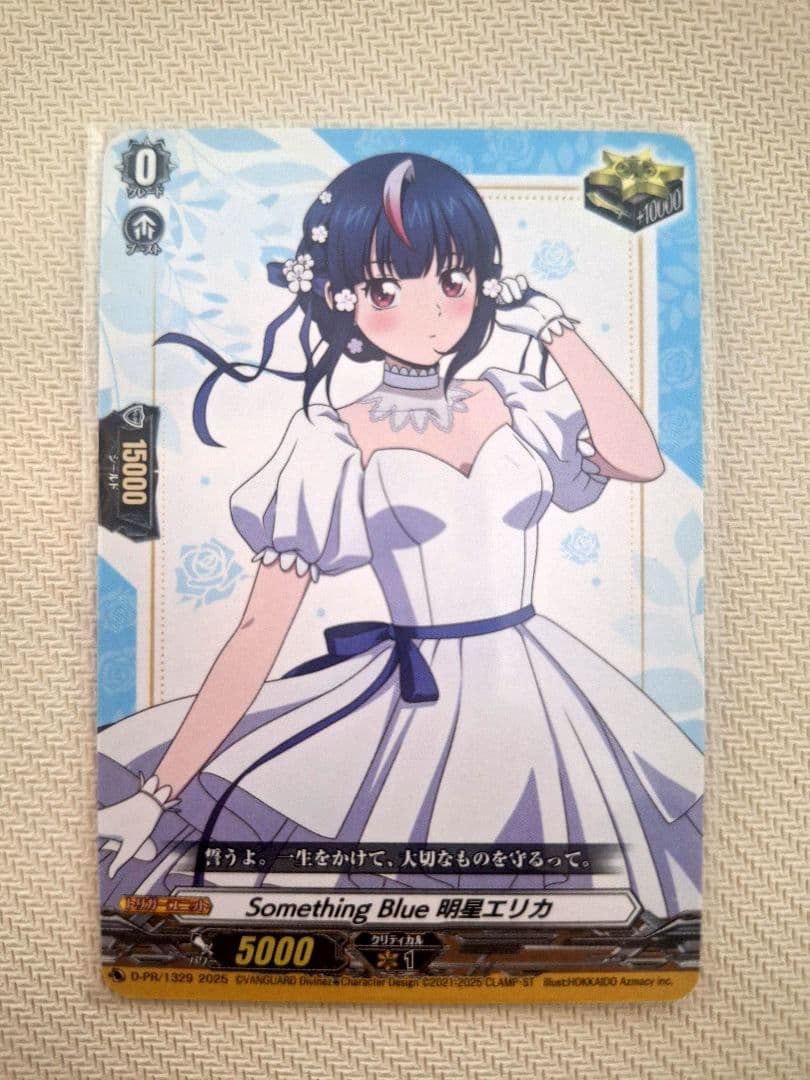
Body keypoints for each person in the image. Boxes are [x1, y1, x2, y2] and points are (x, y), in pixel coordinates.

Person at [98, 153, 703, 917]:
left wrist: (554, 328)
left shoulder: (514, 399)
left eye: (454, 280)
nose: (433, 313)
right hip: (414, 702)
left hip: (544, 684)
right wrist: (157, 792)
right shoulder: (333, 440)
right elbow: (259, 630)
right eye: (389, 289)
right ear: (341, 296)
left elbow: (638, 460)